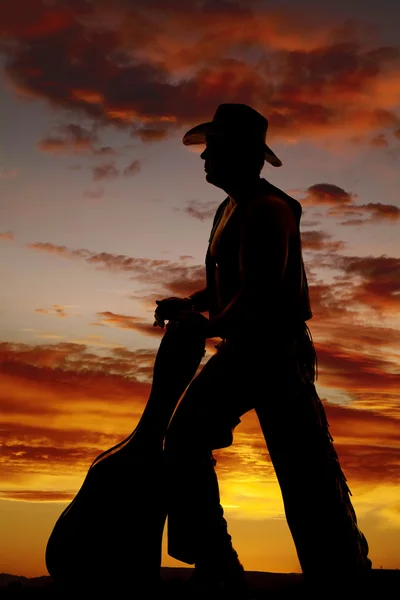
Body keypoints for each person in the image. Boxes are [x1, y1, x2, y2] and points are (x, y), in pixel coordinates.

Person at [153, 104, 372, 598]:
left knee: (303, 471)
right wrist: (192, 303)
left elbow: (262, 292)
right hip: (244, 348)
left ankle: (336, 578)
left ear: (240, 154)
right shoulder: (229, 207)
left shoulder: (269, 209)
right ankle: (220, 564)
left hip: (273, 353)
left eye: (215, 146)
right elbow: (231, 283)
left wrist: (206, 324)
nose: (205, 154)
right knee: (191, 441)